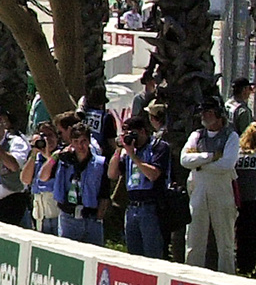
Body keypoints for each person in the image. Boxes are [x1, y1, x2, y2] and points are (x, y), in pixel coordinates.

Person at [181, 99, 239, 271]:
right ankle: (192, 276)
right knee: (193, 239)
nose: (205, 116)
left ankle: (228, 278)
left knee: (225, 243)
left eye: (209, 112)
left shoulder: (231, 136)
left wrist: (198, 164)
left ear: (219, 114)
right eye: (203, 112)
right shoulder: (197, 135)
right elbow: (184, 160)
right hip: (199, 191)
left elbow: (226, 165)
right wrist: (210, 156)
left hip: (222, 192)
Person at [110, 114, 168, 257]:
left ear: (142, 131)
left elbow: (153, 174)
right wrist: (119, 150)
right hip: (131, 208)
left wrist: (133, 156)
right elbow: (112, 174)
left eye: (133, 134)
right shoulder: (129, 151)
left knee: (151, 254)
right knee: (133, 255)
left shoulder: (158, 147)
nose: (131, 138)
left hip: (150, 207)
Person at [43, 122, 106, 245]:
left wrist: (99, 218)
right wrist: (54, 157)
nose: (80, 146)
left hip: (91, 218)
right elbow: (43, 176)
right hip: (69, 218)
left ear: (89, 141)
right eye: (76, 141)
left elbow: (104, 194)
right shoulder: (63, 161)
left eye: (83, 141)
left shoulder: (99, 164)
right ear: (71, 142)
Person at [21, 120, 62, 233]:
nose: (47, 139)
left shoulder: (61, 156)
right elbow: (25, 179)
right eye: (43, 136)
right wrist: (34, 153)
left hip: (56, 212)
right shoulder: (36, 158)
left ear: (57, 137)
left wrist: (49, 157)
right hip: (40, 214)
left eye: (50, 135)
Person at [236, 118, 256, 276]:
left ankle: (243, 266)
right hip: (253, 200)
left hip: (238, 199)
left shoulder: (238, 153)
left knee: (241, 235)